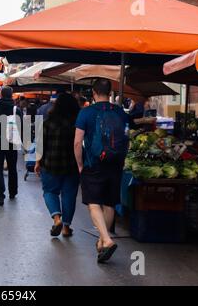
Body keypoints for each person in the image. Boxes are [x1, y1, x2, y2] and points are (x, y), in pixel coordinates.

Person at [74, 78, 129, 263]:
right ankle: (101, 241)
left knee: (93, 203)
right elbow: (126, 136)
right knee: (109, 203)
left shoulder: (86, 112)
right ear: (110, 92)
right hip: (115, 163)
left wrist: (80, 164)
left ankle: (106, 239)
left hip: (93, 163)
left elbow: (77, 142)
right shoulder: (120, 112)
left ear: (94, 92)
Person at [35, 93, 80, 237]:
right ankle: (66, 228)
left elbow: (40, 145)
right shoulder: (76, 125)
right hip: (71, 165)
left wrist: (37, 162)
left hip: (50, 164)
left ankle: (57, 219)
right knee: (69, 195)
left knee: (49, 192)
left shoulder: (48, 123)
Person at [0, 86, 23, 206]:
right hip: (12, 142)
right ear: (12, 95)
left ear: (1, 95)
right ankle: (13, 192)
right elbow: (22, 128)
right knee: (12, 168)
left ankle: (0, 196)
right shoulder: (16, 110)